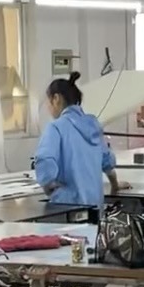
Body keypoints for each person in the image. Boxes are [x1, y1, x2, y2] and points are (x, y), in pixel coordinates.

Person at [34, 71, 121, 213]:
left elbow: (44, 160)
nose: (48, 108)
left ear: (56, 99)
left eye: (48, 102)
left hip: (68, 207)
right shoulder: (93, 125)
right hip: (95, 207)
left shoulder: (56, 127)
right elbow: (107, 162)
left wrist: (49, 188)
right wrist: (115, 185)